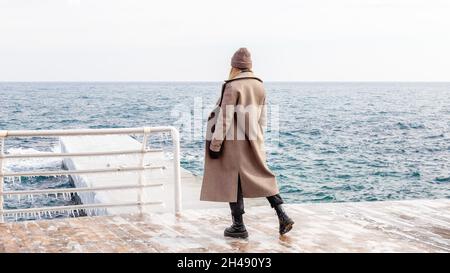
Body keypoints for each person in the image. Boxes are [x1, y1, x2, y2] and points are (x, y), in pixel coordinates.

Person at [200, 48, 294, 239]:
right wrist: (257, 138)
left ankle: (238, 226)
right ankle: (282, 213)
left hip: (233, 143)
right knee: (260, 175)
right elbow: (263, 118)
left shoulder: (232, 86)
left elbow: (224, 118)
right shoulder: (259, 85)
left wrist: (215, 145)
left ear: (234, 66)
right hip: (253, 139)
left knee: (232, 180)